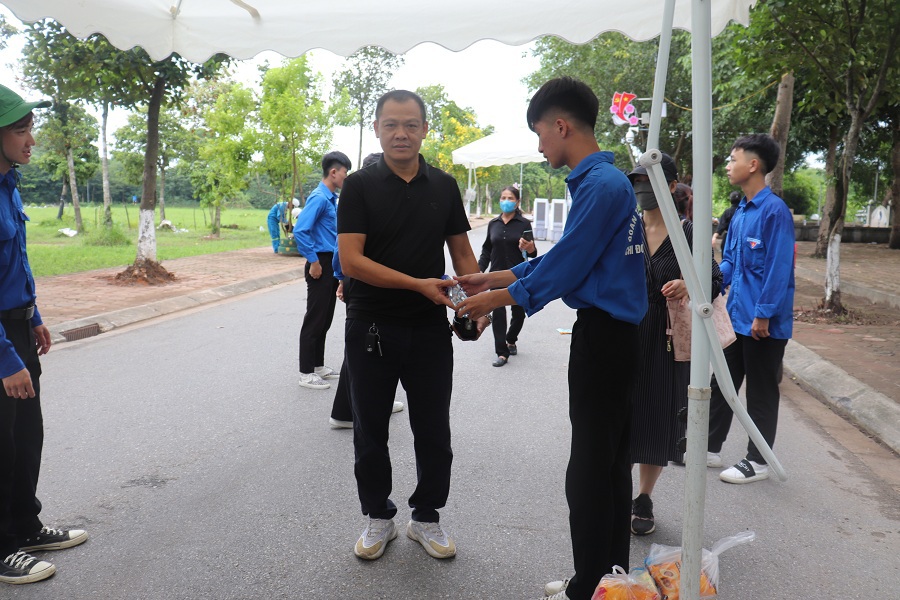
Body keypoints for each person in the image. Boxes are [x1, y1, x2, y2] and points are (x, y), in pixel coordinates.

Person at [453, 77, 647, 600]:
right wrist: (491, 278)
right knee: (607, 467)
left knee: (589, 471)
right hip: (613, 338)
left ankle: (588, 586)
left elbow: (565, 270)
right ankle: (609, 580)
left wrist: (487, 302)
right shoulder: (604, 184)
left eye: (541, 134)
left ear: (561, 126)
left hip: (605, 342)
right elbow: (565, 260)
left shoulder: (602, 185)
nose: (540, 148)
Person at [337, 90, 488, 562]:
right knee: (370, 430)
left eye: (410, 124)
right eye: (390, 125)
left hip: (427, 328)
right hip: (371, 326)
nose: (400, 133)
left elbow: (461, 255)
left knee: (433, 430)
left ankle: (426, 517)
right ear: (378, 129)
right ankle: (378, 517)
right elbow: (351, 261)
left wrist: (473, 303)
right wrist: (419, 284)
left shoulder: (443, 186)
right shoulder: (359, 186)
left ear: (424, 129)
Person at [0, 84, 88, 586]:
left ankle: (24, 526)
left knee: (26, 435)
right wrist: (5, 357)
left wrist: (32, 314)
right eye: (20, 129)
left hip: (17, 322)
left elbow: (17, 261)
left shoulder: (10, 182)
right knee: (1, 443)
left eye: (29, 127)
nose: (31, 138)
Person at [625, 154, 722, 536]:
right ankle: (616, 489)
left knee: (656, 418)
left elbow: (714, 281)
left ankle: (643, 496)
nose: (643, 189)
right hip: (624, 332)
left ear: (671, 185)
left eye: (651, 180)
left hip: (666, 340)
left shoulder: (689, 233)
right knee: (621, 414)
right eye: (637, 181)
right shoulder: (625, 226)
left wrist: (689, 285)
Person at [708, 134, 795, 484]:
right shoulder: (741, 211)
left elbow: (778, 267)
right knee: (723, 383)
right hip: (738, 317)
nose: (729, 165)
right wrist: (710, 285)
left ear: (753, 165)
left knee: (760, 390)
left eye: (733, 158)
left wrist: (764, 313)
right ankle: (708, 447)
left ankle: (758, 460)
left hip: (763, 323)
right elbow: (730, 261)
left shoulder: (774, 211)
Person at [328, 152, 404, 429]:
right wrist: (343, 278)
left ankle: (349, 410)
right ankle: (351, 410)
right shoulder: (363, 201)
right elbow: (344, 249)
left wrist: (341, 278)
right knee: (367, 346)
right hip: (363, 282)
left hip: (354, 280)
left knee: (363, 346)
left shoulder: (364, 200)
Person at [293, 151, 352, 390]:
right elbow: (300, 230)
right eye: (345, 173)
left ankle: (317, 365)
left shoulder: (331, 199)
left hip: (330, 263)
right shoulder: (319, 198)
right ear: (334, 172)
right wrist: (314, 261)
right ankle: (306, 372)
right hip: (320, 263)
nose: (346, 177)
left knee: (325, 318)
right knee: (315, 319)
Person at [477, 185, 537, 367]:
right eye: (503, 198)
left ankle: (511, 339)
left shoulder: (524, 224)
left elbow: (532, 253)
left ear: (517, 202)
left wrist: (530, 248)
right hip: (496, 274)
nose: (506, 201)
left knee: (519, 312)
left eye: (510, 198)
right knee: (498, 311)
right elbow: (487, 249)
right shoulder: (493, 223)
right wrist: (479, 269)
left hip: (517, 274)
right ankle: (502, 352)